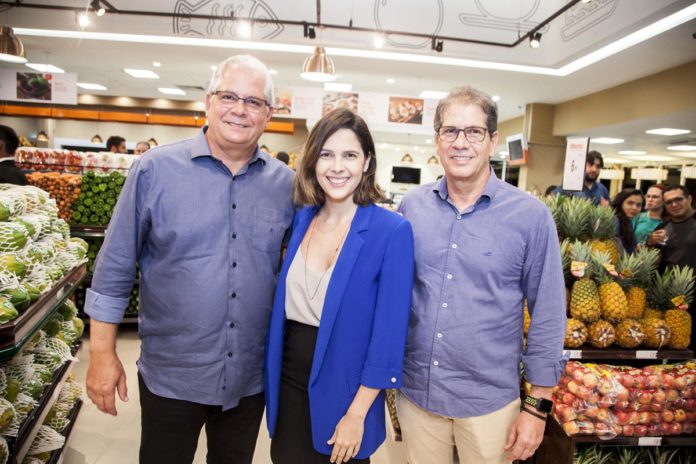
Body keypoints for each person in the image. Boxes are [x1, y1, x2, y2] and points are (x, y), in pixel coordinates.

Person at [85, 54, 295, 464]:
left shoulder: (285, 185)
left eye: (253, 102)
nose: (239, 109)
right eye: (229, 96)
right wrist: (101, 354)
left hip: (248, 381)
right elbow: (113, 268)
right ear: (208, 101)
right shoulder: (154, 171)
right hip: (171, 378)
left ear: (269, 114)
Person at [397, 86, 566, 464]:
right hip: (417, 397)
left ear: (493, 141)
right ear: (437, 141)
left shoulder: (530, 217)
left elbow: (549, 316)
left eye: (473, 132)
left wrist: (537, 407)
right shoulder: (412, 208)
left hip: (490, 405)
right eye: (450, 131)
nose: (461, 143)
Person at [264, 108, 414, 464]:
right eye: (326, 154)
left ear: (367, 163)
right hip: (288, 387)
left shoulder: (390, 230)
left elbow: (389, 336)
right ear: (313, 161)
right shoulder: (302, 218)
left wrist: (358, 413)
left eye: (350, 155)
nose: (337, 166)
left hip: (345, 395)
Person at [647, 184, 696, 270]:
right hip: (666, 281)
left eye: (678, 199)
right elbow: (654, 261)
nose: (674, 204)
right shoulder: (662, 227)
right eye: (669, 202)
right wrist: (650, 243)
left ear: (689, 199)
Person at [610, 188, 643, 255]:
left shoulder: (627, 220)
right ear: (621, 202)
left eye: (638, 205)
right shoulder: (615, 220)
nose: (634, 208)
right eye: (630, 203)